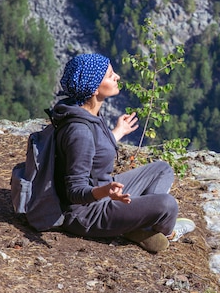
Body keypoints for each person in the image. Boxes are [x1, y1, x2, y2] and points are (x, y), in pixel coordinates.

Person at [51, 53, 195, 253]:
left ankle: (135, 223)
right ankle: (166, 232)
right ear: (94, 88)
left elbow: (94, 151)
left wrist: (117, 133)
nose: (117, 76)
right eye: (110, 75)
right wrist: (105, 191)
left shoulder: (86, 113)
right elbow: (75, 192)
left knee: (162, 169)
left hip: (105, 194)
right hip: (87, 213)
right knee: (167, 205)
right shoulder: (80, 131)